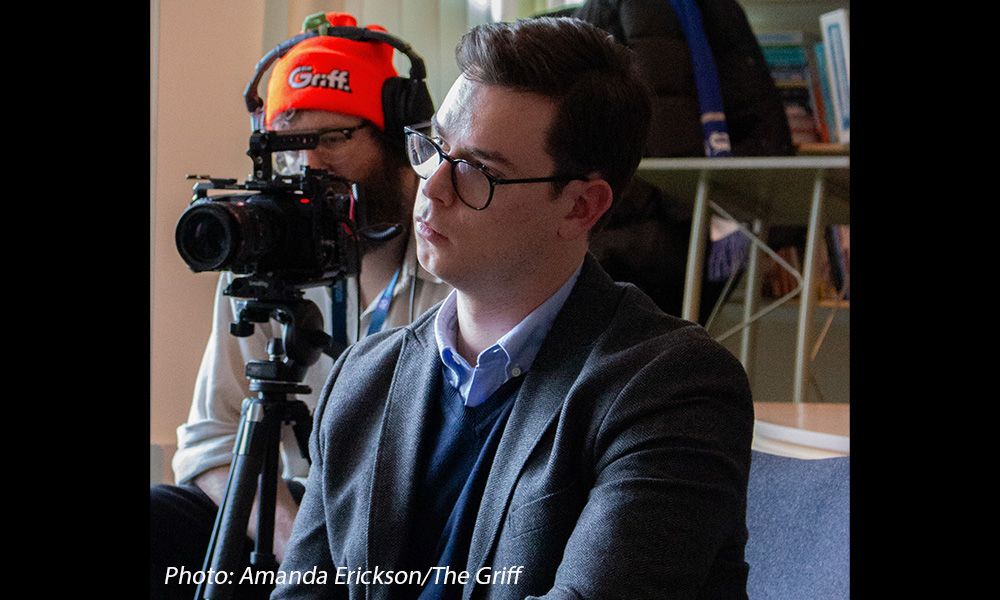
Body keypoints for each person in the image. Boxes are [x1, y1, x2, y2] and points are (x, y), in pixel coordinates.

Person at [272, 16, 754, 600]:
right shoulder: (362, 377)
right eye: (435, 148)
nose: (433, 188)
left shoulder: (672, 387)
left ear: (580, 207)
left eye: (478, 170)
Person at [150, 13, 452, 600]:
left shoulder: (456, 255)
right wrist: (300, 555)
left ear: (397, 139)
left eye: (334, 138)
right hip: (291, 520)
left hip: (411, 529)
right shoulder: (264, 247)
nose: (309, 169)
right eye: (289, 147)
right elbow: (211, 443)